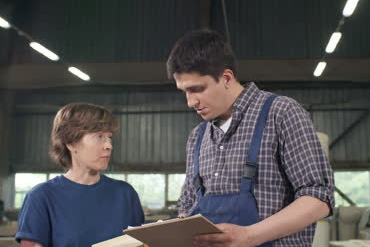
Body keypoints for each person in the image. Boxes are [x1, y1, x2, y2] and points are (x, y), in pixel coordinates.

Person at [167, 29, 335, 247]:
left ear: (226, 78)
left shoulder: (281, 113)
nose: (191, 102)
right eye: (184, 92)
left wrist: (249, 236)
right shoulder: (197, 137)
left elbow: (319, 199)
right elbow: (188, 205)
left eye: (197, 89)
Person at [15, 103, 144, 247]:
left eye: (110, 137)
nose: (109, 145)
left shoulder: (125, 194)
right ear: (71, 143)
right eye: (99, 137)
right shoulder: (41, 197)